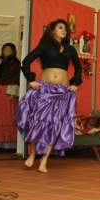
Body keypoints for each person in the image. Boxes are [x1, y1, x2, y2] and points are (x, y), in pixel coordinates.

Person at [17, 19, 81, 173]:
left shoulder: (70, 49)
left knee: (55, 125)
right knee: (36, 122)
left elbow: (78, 68)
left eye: (65, 29)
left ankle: (44, 160)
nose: (64, 30)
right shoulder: (45, 45)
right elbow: (26, 61)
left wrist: (75, 83)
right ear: (52, 31)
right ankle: (32, 155)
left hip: (62, 92)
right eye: (60, 28)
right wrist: (31, 80)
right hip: (45, 90)